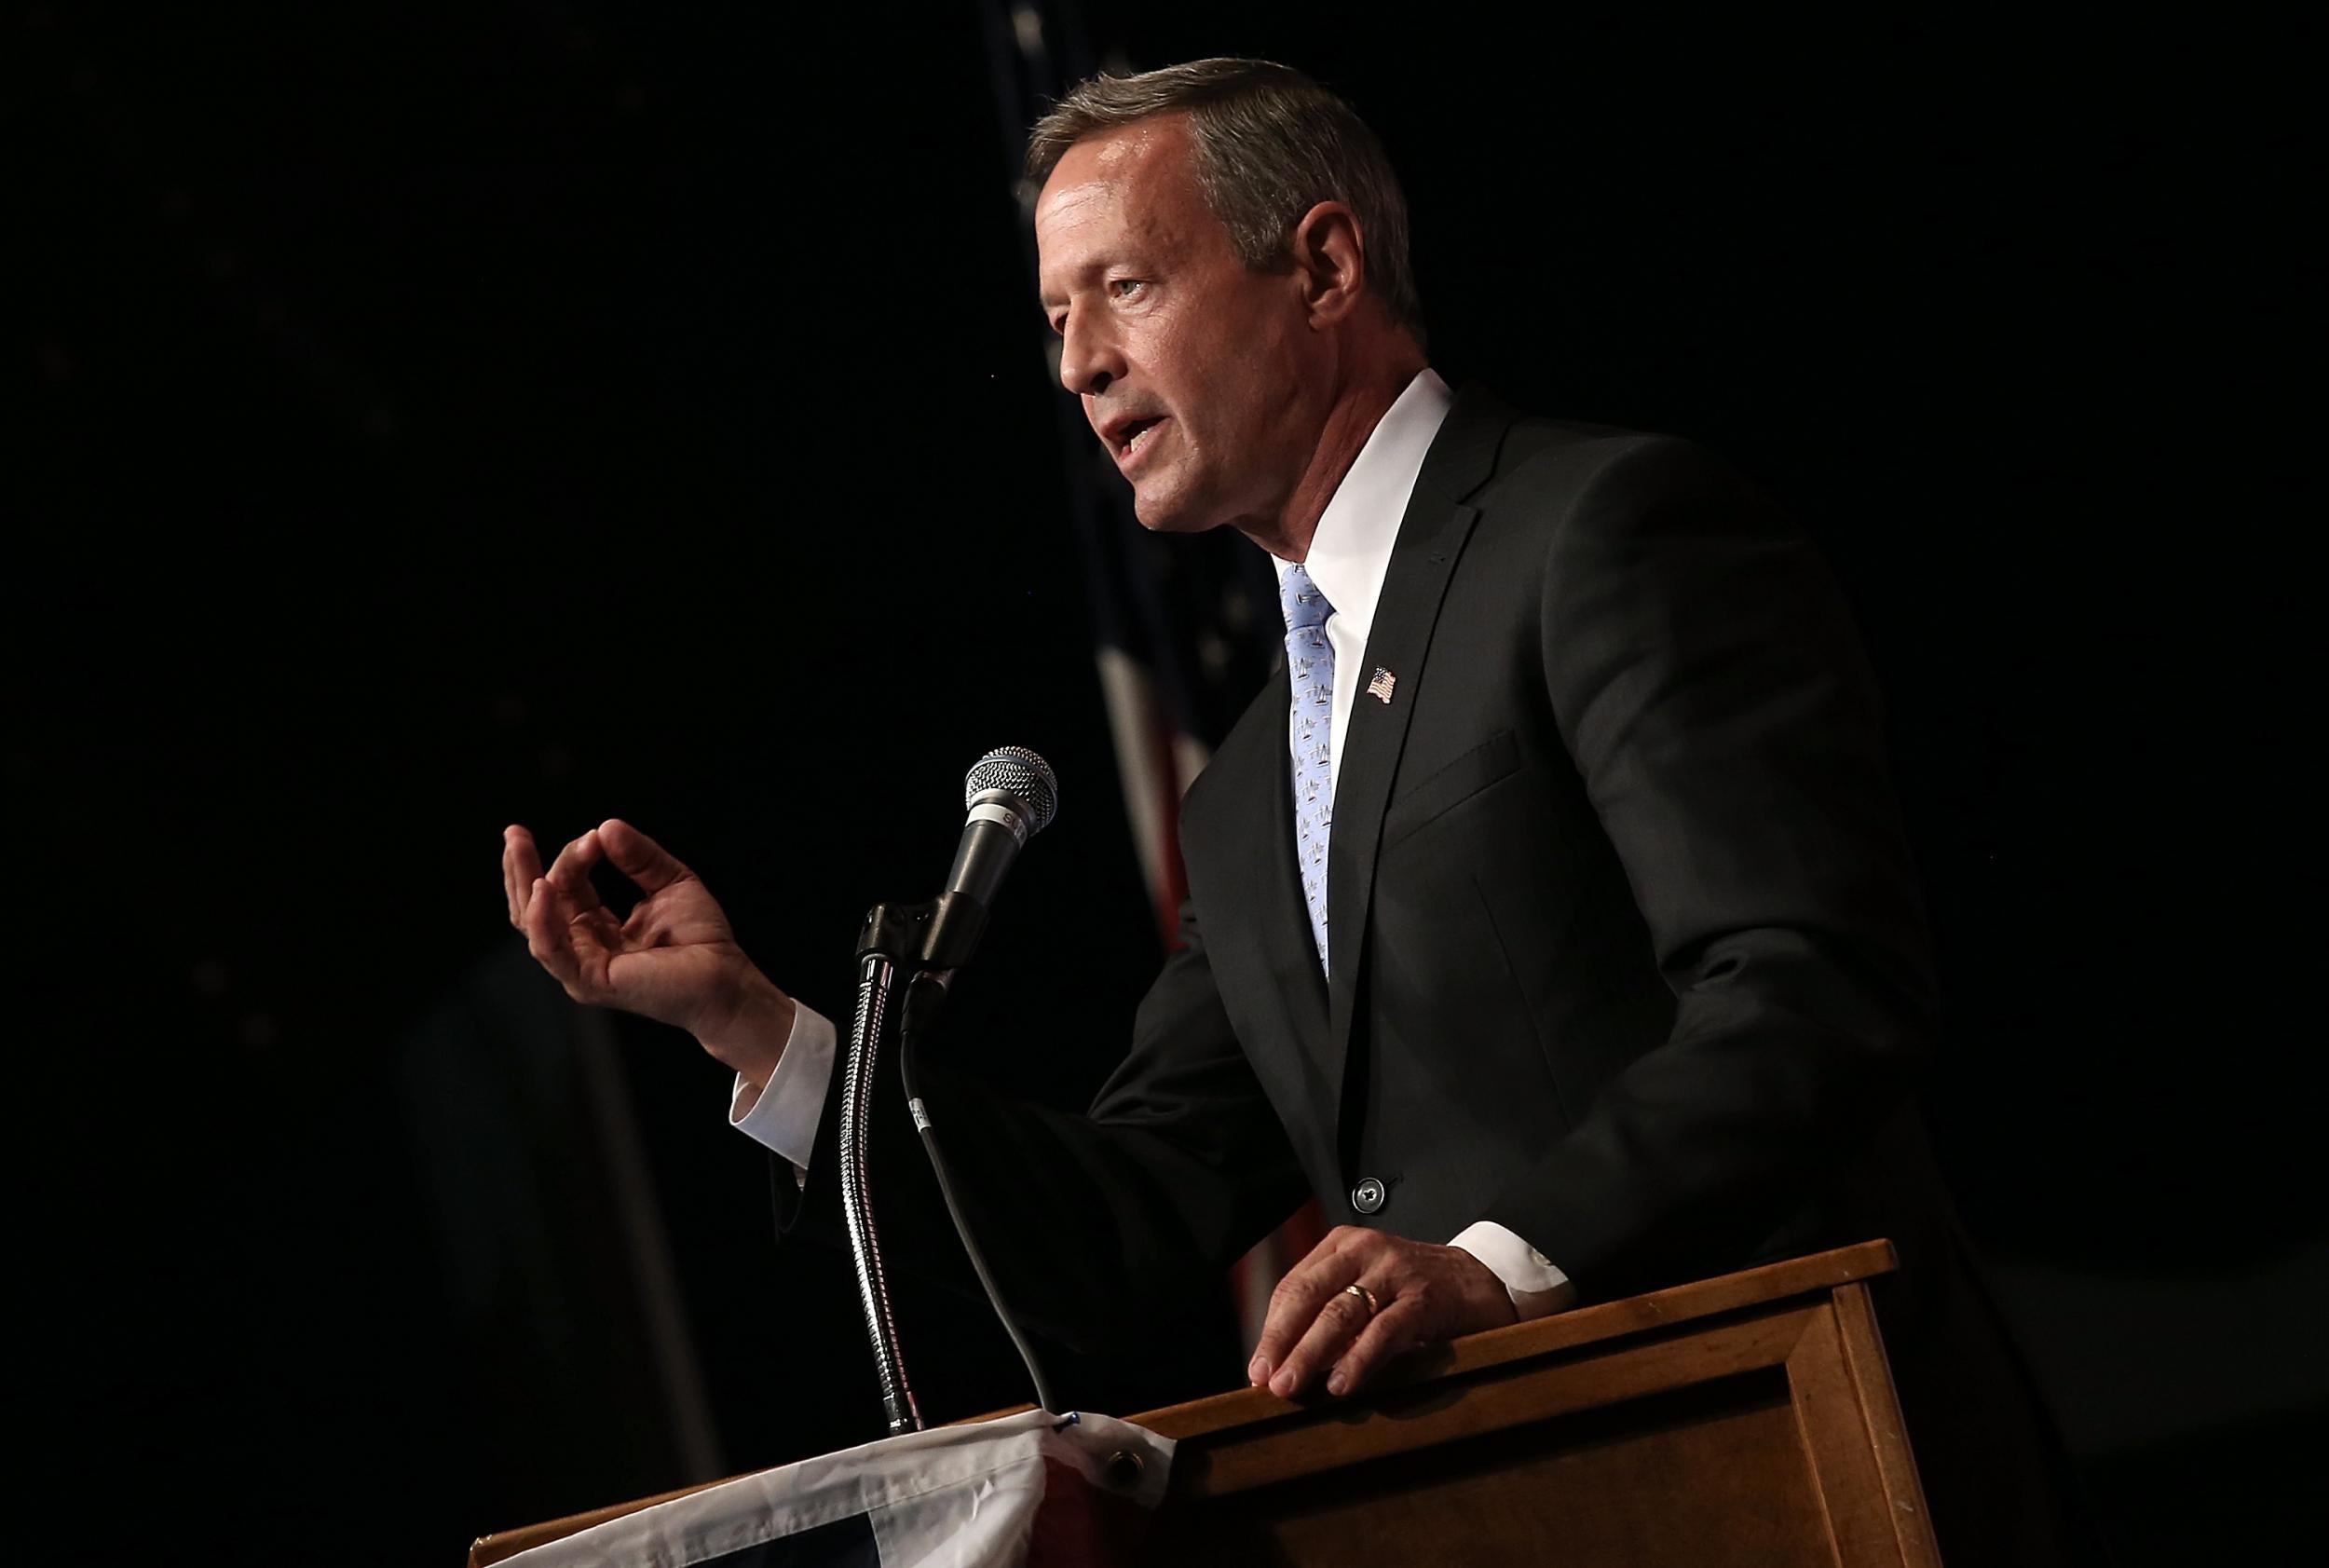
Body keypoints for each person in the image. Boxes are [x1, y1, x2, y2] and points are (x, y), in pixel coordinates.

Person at [502, 59, 2102, 1562]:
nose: (1076, 363)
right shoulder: (1256, 788)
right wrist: (757, 1031)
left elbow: (1810, 990)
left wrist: (1495, 1260)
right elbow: (1122, 1224)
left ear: (1324, 267)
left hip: (1806, 1469)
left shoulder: (1600, 535)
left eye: (1125, 287)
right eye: (1057, 316)